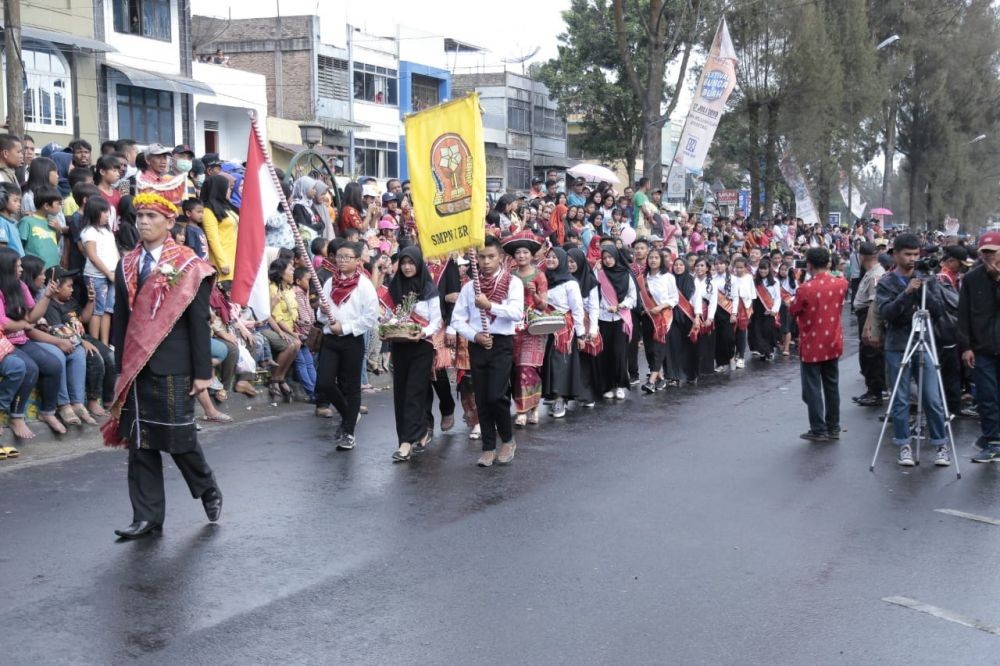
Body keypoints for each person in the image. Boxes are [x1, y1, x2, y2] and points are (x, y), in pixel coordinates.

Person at [102, 192, 220, 540]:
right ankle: (147, 517)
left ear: (169, 222)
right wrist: (121, 364)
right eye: (139, 216)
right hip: (137, 365)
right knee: (140, 442)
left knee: (178, 439)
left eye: (152, 216)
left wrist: (203, 373)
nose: (143, 222)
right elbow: (121, 318)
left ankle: (207, 487)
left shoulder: (188, 264)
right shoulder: (126, 264)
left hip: (174, 364)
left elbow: (199, 322)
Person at [876, 233, 950, 467]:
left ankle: (941, 445)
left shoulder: (927, 277)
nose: (912, 259)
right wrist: (907, 293)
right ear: (895, 254)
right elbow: (887, 314)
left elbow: (938, 311)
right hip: (898, 345)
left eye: (916, 255)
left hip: (925, 341)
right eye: (907, 254)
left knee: (932, 397)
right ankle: (904, 444)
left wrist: (923, 289)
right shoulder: (887, 282)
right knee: (900, 398)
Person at [451, 236, 525, 467]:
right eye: (481, 257)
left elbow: (516, 312)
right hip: (479, 344)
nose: (486, 261)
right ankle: (488, 446)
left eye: (491, 256)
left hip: (502, 343)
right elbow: (457, 319)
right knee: (481, 397)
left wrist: (490, 306)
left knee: (496, 394)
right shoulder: (468, 288)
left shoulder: (513, 283)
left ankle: (508, 440)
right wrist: (475, 336)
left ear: (501, 257)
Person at [315, 241, 379, 451]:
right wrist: (325, 315)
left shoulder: (364, 285)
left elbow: (370, 317)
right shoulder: (329, 283)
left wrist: (346, 327)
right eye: (339, 257)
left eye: (347, 257)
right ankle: (350, 415)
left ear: (358, 261)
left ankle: (349, 432)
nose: (341, 261)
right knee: (324, 382)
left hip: (352, 339)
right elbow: (320, 313)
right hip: (331, 339)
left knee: (351, 386)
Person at [384, 246, 441, 462]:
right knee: (401, 393)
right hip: (399, 345)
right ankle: (415, 432)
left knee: (414, 392)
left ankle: (406, 443)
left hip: (421, 346)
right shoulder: (394, 286)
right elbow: (389, 315)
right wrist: (385, 330)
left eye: (411, 263)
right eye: (404, 263)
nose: (407, 267)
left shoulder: (428, 287)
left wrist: (422, 332)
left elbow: (436, 320)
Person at [789, 248, 849, 441]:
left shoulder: (805, 288)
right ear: (829, 263)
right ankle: (834, 427)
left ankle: (818, 429)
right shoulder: (841, 283)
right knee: (832, 385)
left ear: (809, 265)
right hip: (832, 340)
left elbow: (794, 309)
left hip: (812, 343)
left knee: (812, 387)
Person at [959, 232, 1000, 461]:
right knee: (986, 395)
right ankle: (992, 439)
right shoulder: (972, 279)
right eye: (984, 252)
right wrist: (966, 346)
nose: (988, 257)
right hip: (981, 348)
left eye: (992, 252)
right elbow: (963, 316)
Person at [503, 232, 548, 426]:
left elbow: (543, 305)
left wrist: (534, 294)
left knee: (527, 368)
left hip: (533, 327)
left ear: (531, 255)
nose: (521, 256)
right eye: (518, 253)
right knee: (513, 370)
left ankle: (529, 409)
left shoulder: (539, 275)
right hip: (512, 326)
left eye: (525, 253)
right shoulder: (509, 276)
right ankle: (522, 406)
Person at [540, 247, 585, 418]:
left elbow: (577, 309)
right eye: (548, 257)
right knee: (547, 361)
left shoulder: (570, 283)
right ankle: (550, 394)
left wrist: (580, 334)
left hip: (563, 328)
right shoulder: (543, 279)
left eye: (554, 257)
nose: (550, 260)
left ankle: (560, 398)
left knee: (560, 362)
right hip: (543, 325)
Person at [596, 244, 636, 399]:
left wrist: (620, 306)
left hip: (620, 318)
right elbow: (594, 295)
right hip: (602, 318)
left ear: (616, 256)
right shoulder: (599, 274)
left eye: (610, 257)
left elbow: (633, 297)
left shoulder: (626, 274)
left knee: (619, 353)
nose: (607, 260)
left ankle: (620, 385)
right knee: (604, 354)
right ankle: (607, 385)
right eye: (604, 258)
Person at [79, 196, 120, 346]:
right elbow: (92, 256)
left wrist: (116, 271)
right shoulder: (89, 231)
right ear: (94, 212)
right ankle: (96, 343)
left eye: (108, 211)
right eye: (104, 211)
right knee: (97, 310)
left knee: (108, 310)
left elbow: (115, 252)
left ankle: (105, 343)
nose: (107, 215)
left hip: (112, 275)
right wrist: (108, 273)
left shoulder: (107, 231)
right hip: (96, 276)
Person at [637, 249, 677, 393]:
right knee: (649, 348)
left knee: (658, 347)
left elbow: (674, 298)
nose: (653, 260)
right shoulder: (642, 278)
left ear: (661, 260)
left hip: (663, 316)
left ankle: (651, 381)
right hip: (647, 316)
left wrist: (660, 307)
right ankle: (660, 378)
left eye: (656, 258)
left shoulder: (668, 277)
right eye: (651, 258)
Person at [851, 242, 886, 407]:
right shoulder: (871, 272)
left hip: (868, 315)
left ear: (862, 256)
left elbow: (874, 301)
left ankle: (875, 391)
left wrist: (869, 324)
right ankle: (872, 389)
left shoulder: (876, 274)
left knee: (871, 353)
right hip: (863, 313)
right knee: (867, 353)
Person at [264, 257, 302, 400]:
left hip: (289, 327)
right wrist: (288, 333)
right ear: (281, 272)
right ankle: (275, 379)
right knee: (291, 343)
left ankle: (281, 377)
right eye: (290, 269)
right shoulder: (272, 289)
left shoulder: (289, 289)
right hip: (271, 326)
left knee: (297, 343)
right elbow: (274, 316)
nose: (293, 272)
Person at [567, 246, 601, 407]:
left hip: (586, 325)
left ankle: (586, 394)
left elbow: (594, 307)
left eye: (573, 262)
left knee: (585, 361)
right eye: (567, 262)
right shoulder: (563, 279)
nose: (570, 265)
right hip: (567, 326)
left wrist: (593, 329)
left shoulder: (590, 281)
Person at [19, 186, 64, 269]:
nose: (59, 207)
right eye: (58, 204)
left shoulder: (52, 222)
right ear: (46, 205)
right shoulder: (27, 221)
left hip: (53, 266)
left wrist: (58, 230)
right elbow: (20, 246)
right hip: (35, 270)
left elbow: (54, 242)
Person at [749, 259, 780, 361]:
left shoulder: (775, 282)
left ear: (769, 269)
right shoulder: (754, 281)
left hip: (768, 309)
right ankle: (764, 351)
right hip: (757, 310)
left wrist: (774, 309)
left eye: (765, 269)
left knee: (767, 331)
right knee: (757, 331)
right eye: (761, 269)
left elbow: (777, 298)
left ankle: (769, 350)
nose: (763, 271)